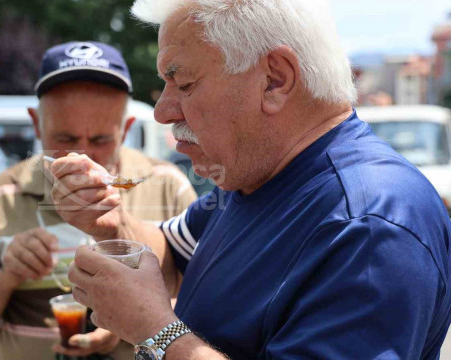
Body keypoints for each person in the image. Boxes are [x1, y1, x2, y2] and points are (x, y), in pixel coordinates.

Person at [50, 1, 451, 360]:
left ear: (275, 79)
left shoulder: (367, 226)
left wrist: (157, 332)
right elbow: (170, 257)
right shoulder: (259, 178)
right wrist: (110, 220)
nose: (163, 111)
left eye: (184, 83)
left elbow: (158, 311)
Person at [0, 41, 197, 360]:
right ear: (37, 124)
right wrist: (5, 277)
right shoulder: (2, 193)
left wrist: (137, 327)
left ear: (125, 129)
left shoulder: (166, 185)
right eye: (64, 139)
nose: (81, 157)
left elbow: (207, 307)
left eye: (101, 140)